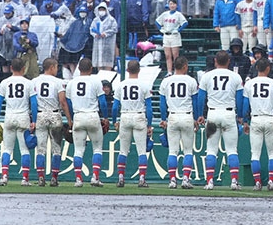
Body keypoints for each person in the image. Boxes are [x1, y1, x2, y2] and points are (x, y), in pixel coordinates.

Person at [199, 50, 244, 190]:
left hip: (212, 114)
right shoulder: (235, 77)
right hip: (229, 113)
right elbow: (240, 98)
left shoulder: (207, 76)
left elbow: (201, 97)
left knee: (211, 150)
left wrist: (200, 114)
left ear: (215, 61)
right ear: (229, 61)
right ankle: (234, 182)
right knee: (232, 150)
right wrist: (241, 115)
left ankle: (210, 182)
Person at [65, 58, 109, 187]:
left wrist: (72, 117)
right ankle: (95, 177)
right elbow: (103, 102)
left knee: (78, 150)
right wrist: (105, 117)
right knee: (97, 149)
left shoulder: (71, 83)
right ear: (91, 68)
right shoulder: (95, 81)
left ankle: (78, 179)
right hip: (92, 115)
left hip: (78, 116)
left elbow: (68, 102)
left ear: (78, 69)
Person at [0, 58, 38, 187]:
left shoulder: (5, 82)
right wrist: (34, 120)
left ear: (11, 68)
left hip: (9, 116)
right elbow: (34, 103)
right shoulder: (28, 83)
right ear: (24, 68)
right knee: (24, 150)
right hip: (23, 116)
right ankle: (24, 179)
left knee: (7, 149)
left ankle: (4, 176)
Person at [158, 56, 199, 189]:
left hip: (173, 116)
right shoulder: (191, 80)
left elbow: (162, 103)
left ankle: (172, 180)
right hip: (187, 115)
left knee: (172, 151)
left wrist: (163, 119)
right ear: (185, 66)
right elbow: (195, 101)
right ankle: (186, 179)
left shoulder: (166, 81)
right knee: (188, 151)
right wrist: (197, 117)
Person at [111, 60, 153, 188]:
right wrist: (149, 124)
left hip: (125, 115)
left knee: (123, 150)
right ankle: (141, 179)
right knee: (141, 151)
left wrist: (114, 121)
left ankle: (121, 178)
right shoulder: (144, 85)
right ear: (139, 70)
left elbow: (114, 107)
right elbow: (149, 107)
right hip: (139, 115)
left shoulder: (121, 85)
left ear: (127, 70)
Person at [241, 58, 273, 191]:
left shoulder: (249, 84)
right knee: (272, 153)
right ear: (268, 68)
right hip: (270, 118)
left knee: (255, 154)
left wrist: (245, 121)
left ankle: (257, 182)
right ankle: (271, 181)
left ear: (257, 68)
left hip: (256, 119)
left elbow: (245, 105)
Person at [31, 58, 67, 187]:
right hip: (55, 114)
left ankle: (41, 178)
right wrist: (69, 118)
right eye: (56, 67)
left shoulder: (34, 81)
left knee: (40, 150)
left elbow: (32, 101)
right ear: (51, 67)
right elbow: (63, 101)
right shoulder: (58, 82)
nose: (57, 69)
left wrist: (33, 119)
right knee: (56, 150)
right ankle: (54, 178)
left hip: (40, 115)